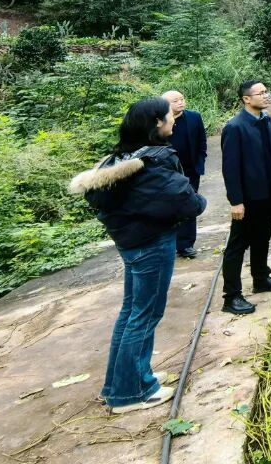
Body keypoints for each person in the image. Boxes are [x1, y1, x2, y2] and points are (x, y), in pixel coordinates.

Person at [69, 97, 206, 414]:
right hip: (152, 244)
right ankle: (132, 393)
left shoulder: (120, 159)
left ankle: (122, 383)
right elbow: (188, 202)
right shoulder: (153, 164)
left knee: (131, 312)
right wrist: (199, 201)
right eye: (170, 116)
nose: (174, 120)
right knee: (144, 315)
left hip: (132, 243)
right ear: (157, 123)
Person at [220, 80, 271, 315]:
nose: (266, 96)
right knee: (237, 245)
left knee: (262, 236)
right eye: (261, 93)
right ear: (246, 99)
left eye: (267, 92)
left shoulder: (266, 119)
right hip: (248, 197)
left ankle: (261, 278)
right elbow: (230, 169)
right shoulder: (235, 127)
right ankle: (231, 297)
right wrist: (236, 201)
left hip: (268, 192)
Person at [162, 90, 207, 258]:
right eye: (175, 101)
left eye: (182, 99)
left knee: (189, 204)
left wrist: (200, 162)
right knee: (167, 207)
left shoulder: (194, 117)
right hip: (167, 172)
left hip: (190, 171)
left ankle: (186, 244)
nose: (181, 102)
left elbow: (202, 141)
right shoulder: (158, 120)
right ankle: (168, 243)